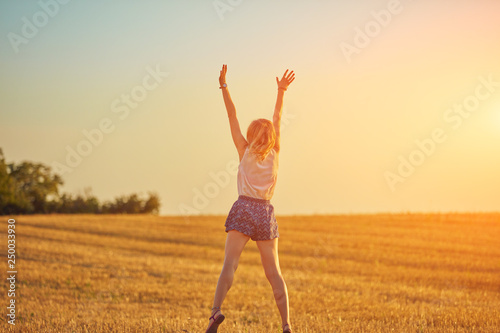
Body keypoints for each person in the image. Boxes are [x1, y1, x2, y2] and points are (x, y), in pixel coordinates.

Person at [205, 64, 295, 333]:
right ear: (272, 137)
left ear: (251, 135)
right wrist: (281, 91)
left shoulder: (243, 149)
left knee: (229, 265)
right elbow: (277, 117)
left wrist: (224, 85)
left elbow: (231, 114)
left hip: (243, 208)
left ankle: (215, 312)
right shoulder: (276, 153)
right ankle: (286, 325)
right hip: (265, 212)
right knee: (274, 275)